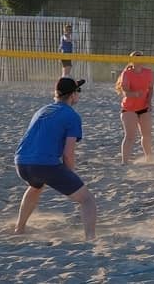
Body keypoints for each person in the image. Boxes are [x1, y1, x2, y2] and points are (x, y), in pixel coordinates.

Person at [14, 77, 97, 240]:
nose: (78, 95)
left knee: (35, 186)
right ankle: (91, 238)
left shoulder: (42, 110)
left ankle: (20, 228)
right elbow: (68, 153)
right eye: (78, 91)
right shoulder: (72, 116)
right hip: (44, 164)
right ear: (72, 95)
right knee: (87, 200)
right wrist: (70, 175)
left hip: (21, 162)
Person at [115, 51, 154, 165]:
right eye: (137, 58)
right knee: (130, 136)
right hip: (129, 108)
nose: (139, 60)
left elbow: (151, 88)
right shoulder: (127, 73)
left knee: (146, 135)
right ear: (132, 61)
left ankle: (149, 158)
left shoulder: (148, 72)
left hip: (143, 107)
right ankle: (124, 162)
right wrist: (135, 94)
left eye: (141, 58)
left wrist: (149, 101)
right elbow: (125, 92)